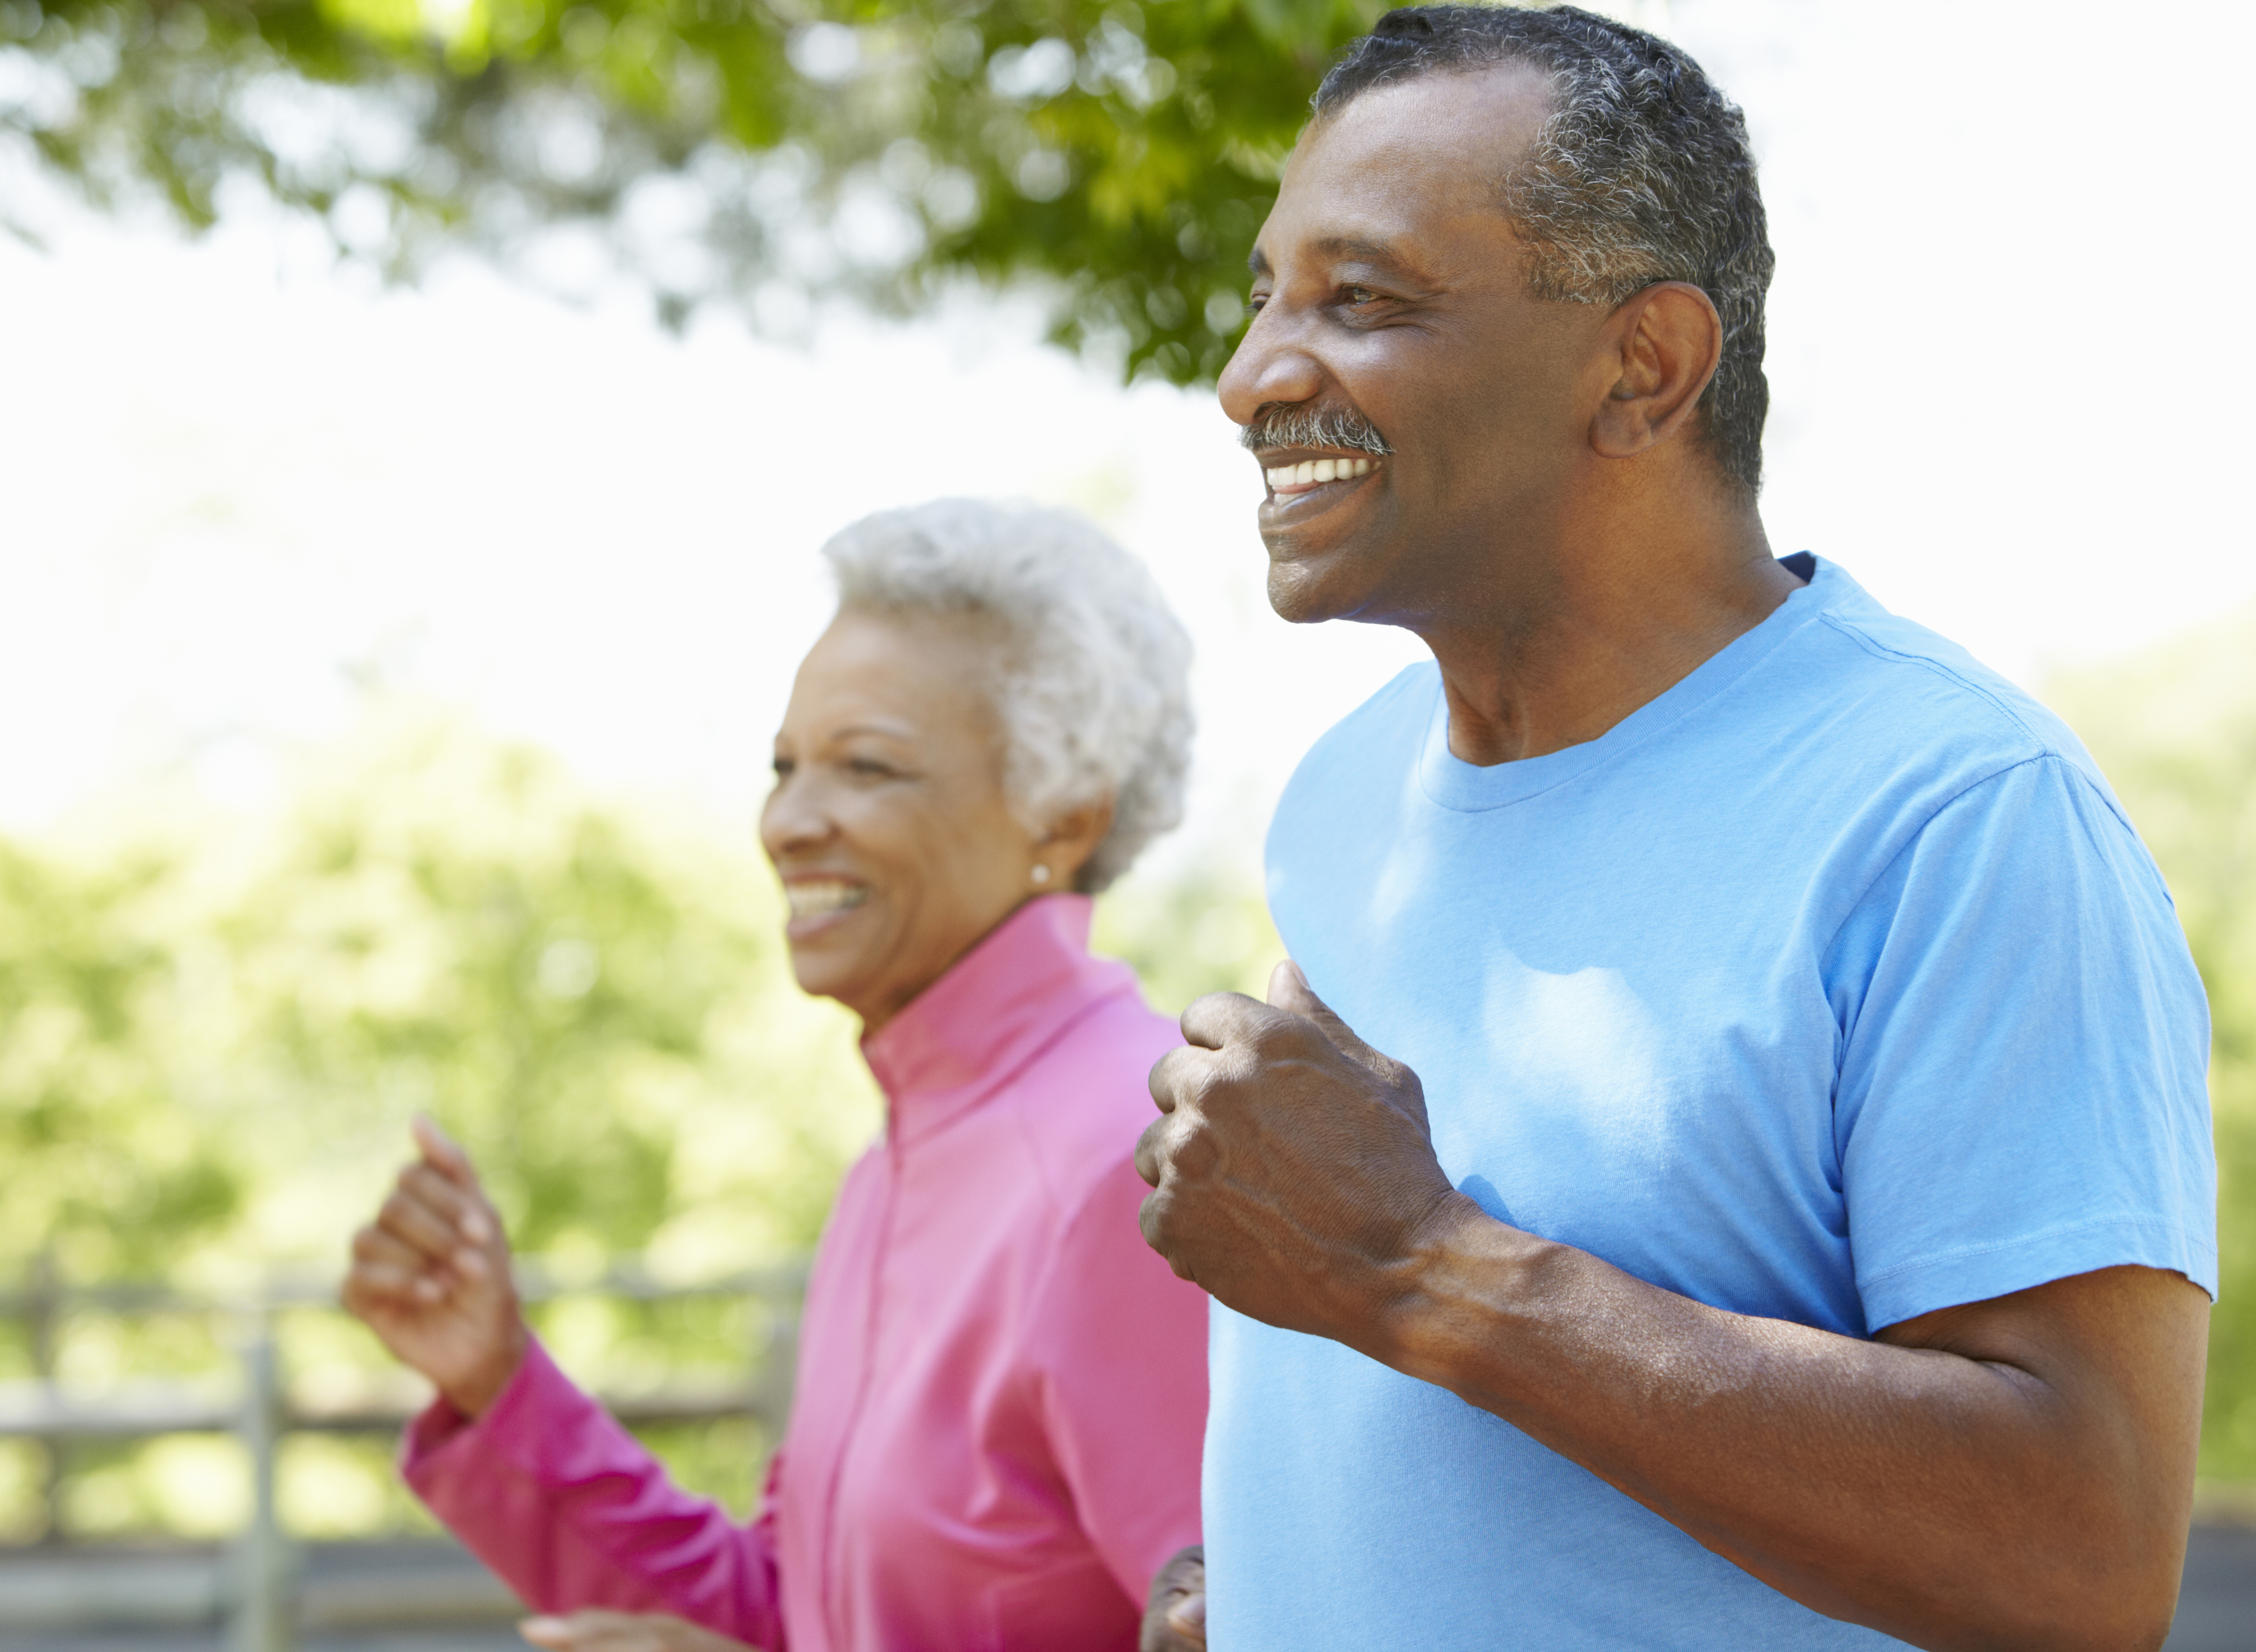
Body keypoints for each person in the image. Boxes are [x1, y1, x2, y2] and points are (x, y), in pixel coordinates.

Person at [1131, 8, 2216, 1650]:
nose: (1253, 377)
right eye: (1269, 294)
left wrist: (1430, 1270)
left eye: (1360, 300)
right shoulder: (1348, 798)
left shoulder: (1958, 821)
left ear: (1646, 369)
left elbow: (2087, 1565)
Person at [341, 499, 1210, 1652]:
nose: (789, 821)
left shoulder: (1127, 1162)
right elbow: (796, 1616)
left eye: (867, 768)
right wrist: (502, 1387)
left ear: (1063, 815)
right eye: (783, 766)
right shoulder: (897, 1166)